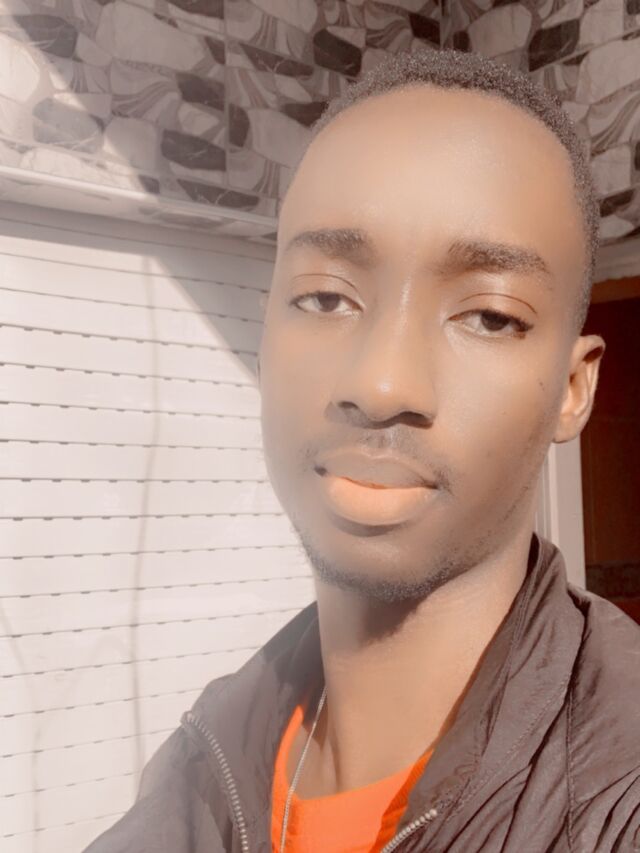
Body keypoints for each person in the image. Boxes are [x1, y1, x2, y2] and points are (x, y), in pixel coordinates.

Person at [85, 48, 640, 853]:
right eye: (324, 297)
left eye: (489, 316)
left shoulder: (617, 799)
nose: (380, 384)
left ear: (573, 388)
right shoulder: (196, 764)